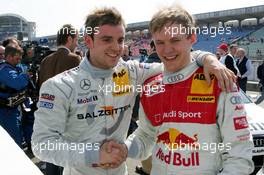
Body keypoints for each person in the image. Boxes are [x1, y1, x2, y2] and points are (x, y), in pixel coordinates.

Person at [32, 7, 236, 175]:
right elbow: (41, 145)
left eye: (120, 40)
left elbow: (179, 61)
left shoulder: (132, 71)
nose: (116, 47)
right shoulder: (59, 86)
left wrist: (209, 59)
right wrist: (94, 154)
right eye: (106, 40)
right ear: (89, 41)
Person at [124, 5, 254, 175]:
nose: (167, 49)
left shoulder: (219, 81)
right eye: (160, 42)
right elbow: (146, 136)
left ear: (192, 38)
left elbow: (239, 154)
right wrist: (123, 150)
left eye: (175, 40)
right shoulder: (151, 86)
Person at [38, 24, 81, 175]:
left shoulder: (45, 61)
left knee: (51, 157)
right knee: (66, 161)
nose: (77, 43)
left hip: (48, 116)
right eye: (76, 39)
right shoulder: (75, 59)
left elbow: (40, 89)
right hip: (68, 118)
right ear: (69, 39)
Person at [0, 44, 29, 147]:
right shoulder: (4, 70)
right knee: (13, 142)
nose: (19, 61)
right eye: (17, 58)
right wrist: (26, 75)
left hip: (11, 110)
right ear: (9, 57)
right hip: (5, 113)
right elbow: (17, 83)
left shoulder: (12, 68)